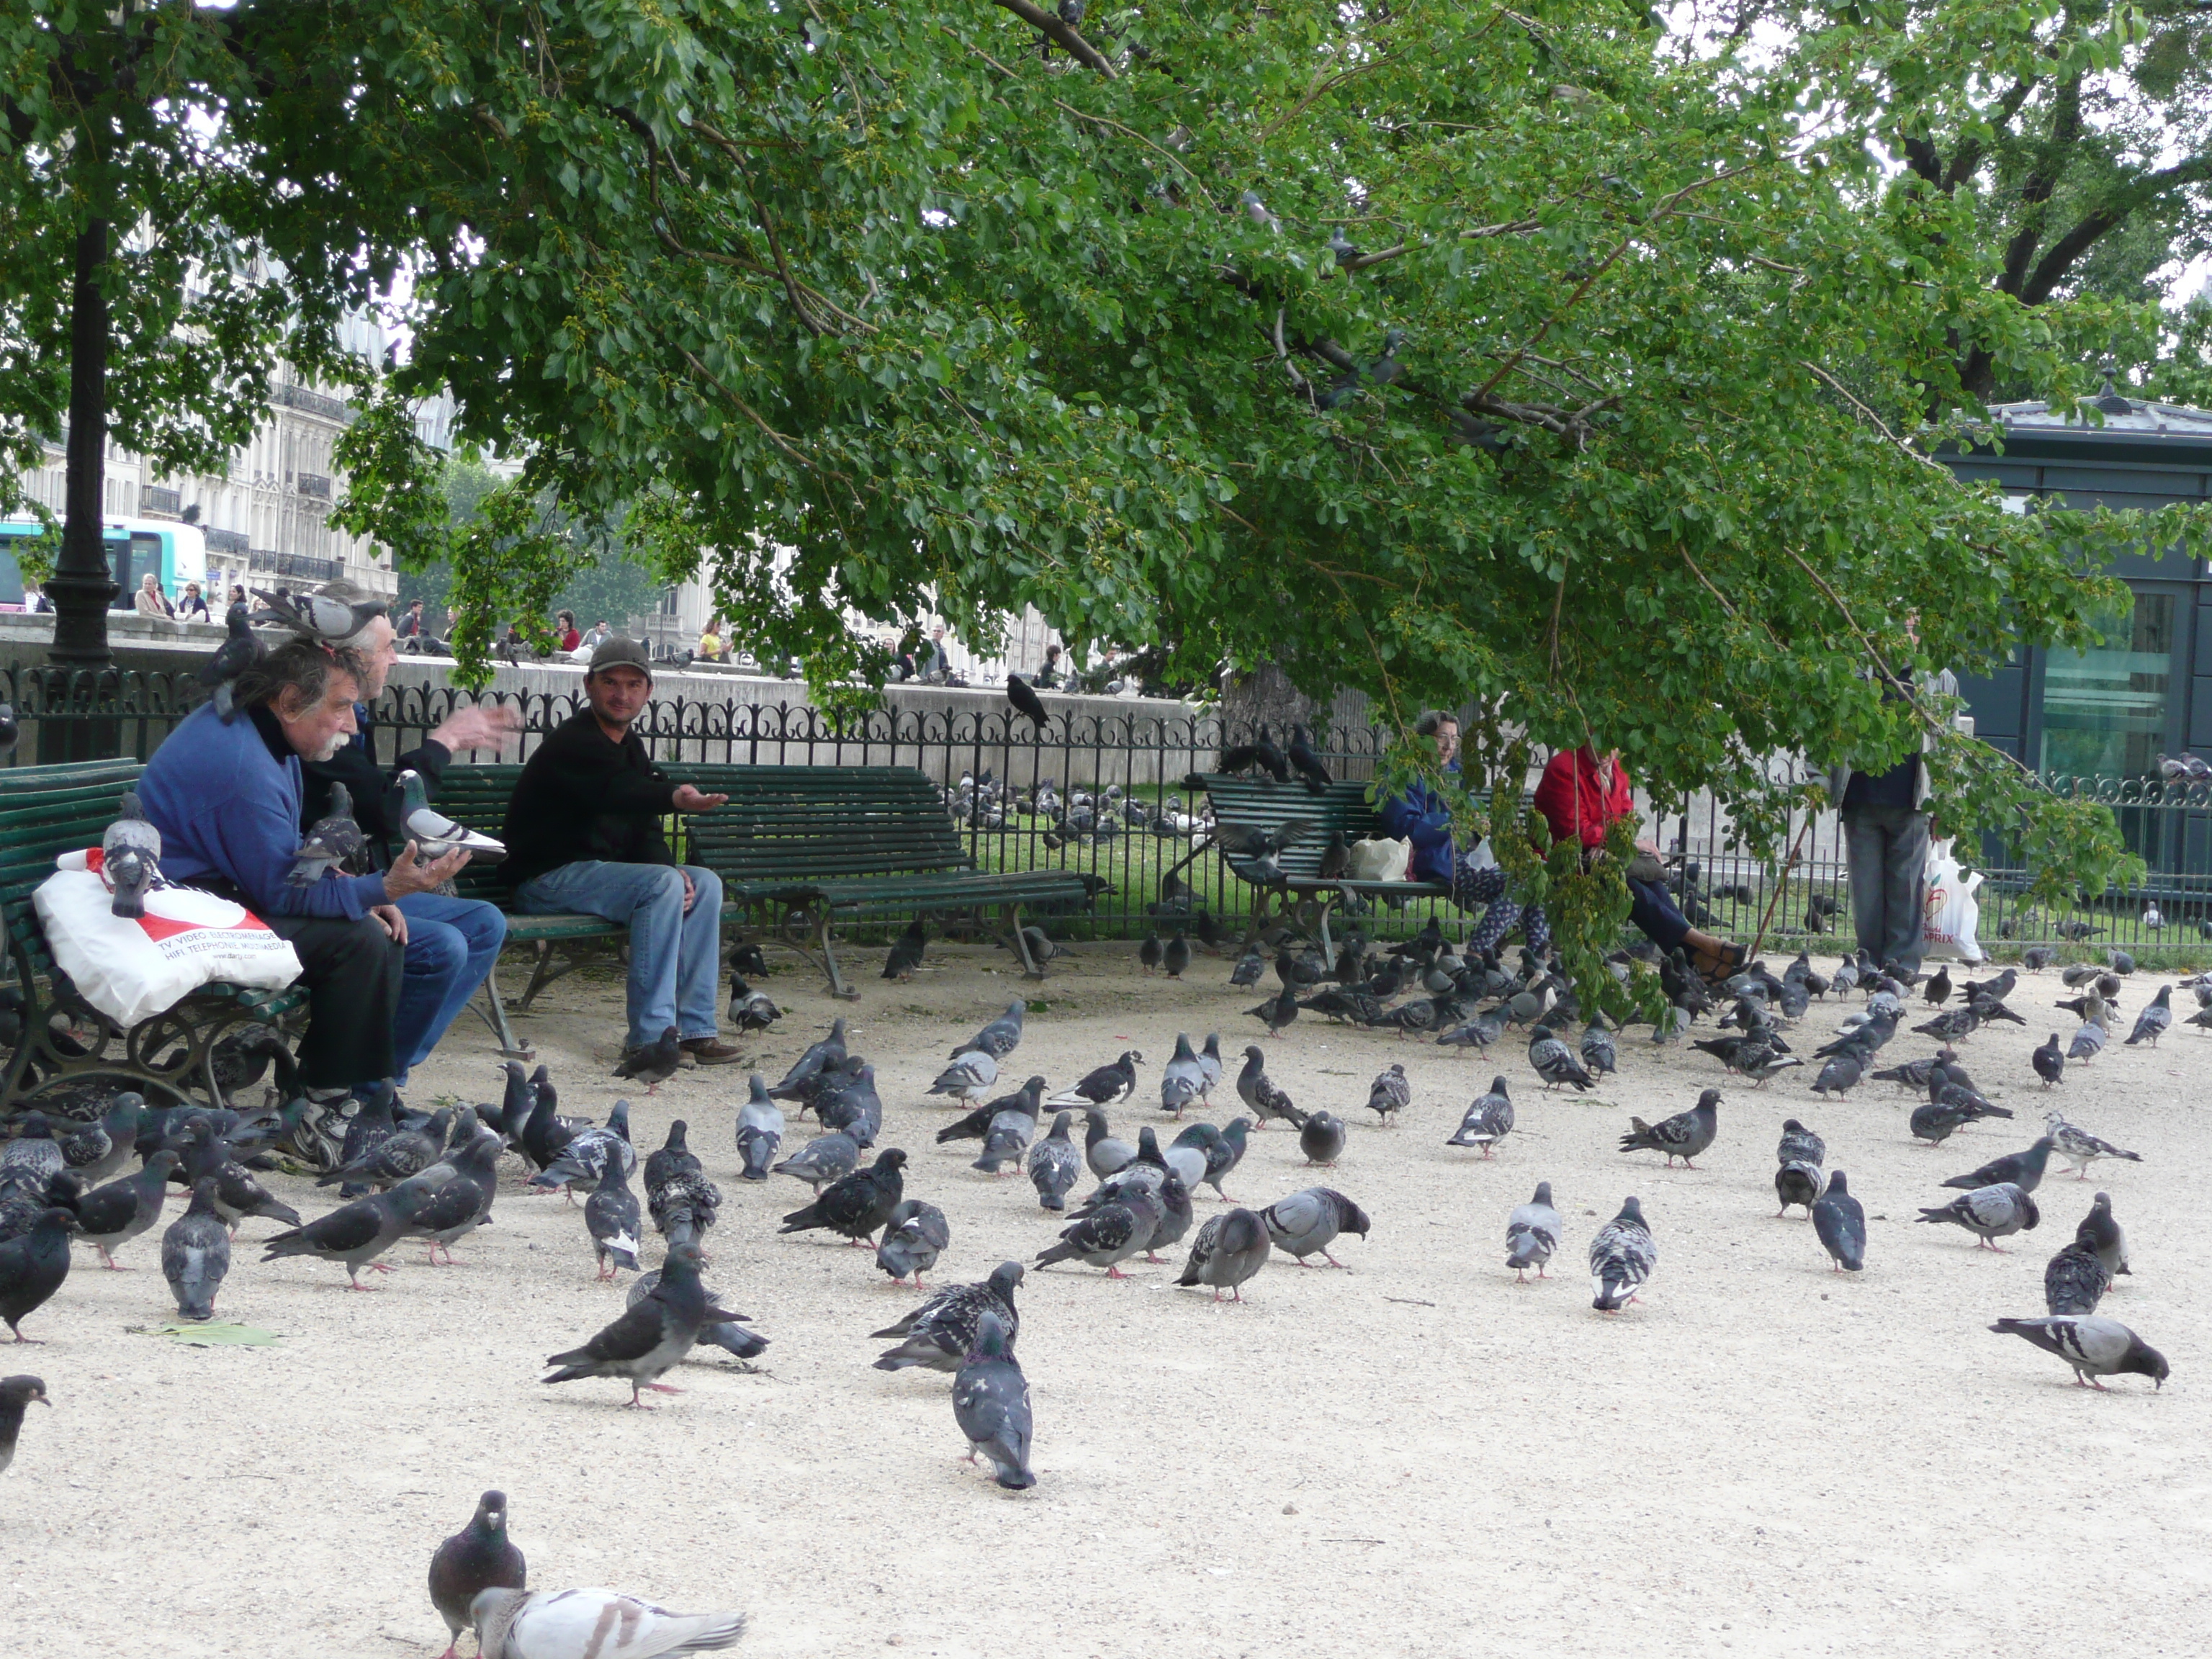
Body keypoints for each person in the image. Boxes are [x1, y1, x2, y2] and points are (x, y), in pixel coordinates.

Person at [138, 639, 469, 1149]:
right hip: (183, 916)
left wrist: (354, 888)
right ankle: (325, 1104)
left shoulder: (264, 736)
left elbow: (285, 862)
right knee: (360, 939)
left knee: (395, 934)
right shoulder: (244, 765)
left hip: (217, 896)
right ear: (291, 700)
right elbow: (283, 892)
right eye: (341, 707)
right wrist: (381, 887)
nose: (353, 726)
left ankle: (363, 1094)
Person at [295, 581, 518, 1089]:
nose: (396, 658)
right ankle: (360, 1083)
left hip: (348, 879)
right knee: (442, 946)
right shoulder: (320, 715)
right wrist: (445, 741)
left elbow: (374, 802)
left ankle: (384, 1074)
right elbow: (385, 806)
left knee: (483, 923)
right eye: (388, 647)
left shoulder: (352, 710)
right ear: (346, 656)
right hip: (310, 885)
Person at [501, 637, 742, 1066]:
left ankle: (694, 1032)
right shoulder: (575, 742)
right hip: (545, 880)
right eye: (611, 682)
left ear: (649, 692)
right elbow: (619, 792)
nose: (621, 694)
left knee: (703, 883)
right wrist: (675, 798)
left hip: (598, 878)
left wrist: (673, 870)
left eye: (633, 685)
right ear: (589, 685)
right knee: (663, 884)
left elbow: (641, 824)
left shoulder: (629, 747)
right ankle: (650, 1040)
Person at [1534, 745, 1744, 980]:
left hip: (1603, 858)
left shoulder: (1617, 770)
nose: (1604, 752)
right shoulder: (1564, 768)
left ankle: (1699, 959)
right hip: (1564, 861)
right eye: (1597, 742)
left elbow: (1625, 816)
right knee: (1626, 887)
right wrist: (1620, 844)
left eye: (1611, 744)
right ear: (1586, 736)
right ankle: (1701, 943)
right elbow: (1573, 830)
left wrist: (1609, 845)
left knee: (1650, 883)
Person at [1380, 710, 1552, 956]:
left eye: (1455, 739)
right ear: (1422, 739)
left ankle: (1537, 960)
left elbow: (1470, 817)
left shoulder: (1454, 774)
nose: (1449, 746)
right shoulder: (1402, 772)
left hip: (1465, 857)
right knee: (1521, 882)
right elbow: (1406, 828)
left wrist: (1481, 826)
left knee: (1532, 878)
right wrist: (1456, 822)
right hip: (1431, 859)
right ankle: (1478, 952)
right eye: (1441, 738)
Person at [1827, 664, 1959, 974]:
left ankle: (1901, 968)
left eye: (1914, 622)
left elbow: (1949, 745)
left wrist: (1945, 806)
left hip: (1913, 802)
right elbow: (1825, 730)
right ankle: (1869, 965)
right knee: (1866, 894)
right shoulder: (1855, 668)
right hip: (1859, 799)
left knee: (1907, 892)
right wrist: (1819, 782)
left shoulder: (1939, 677)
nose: (1906, 627)